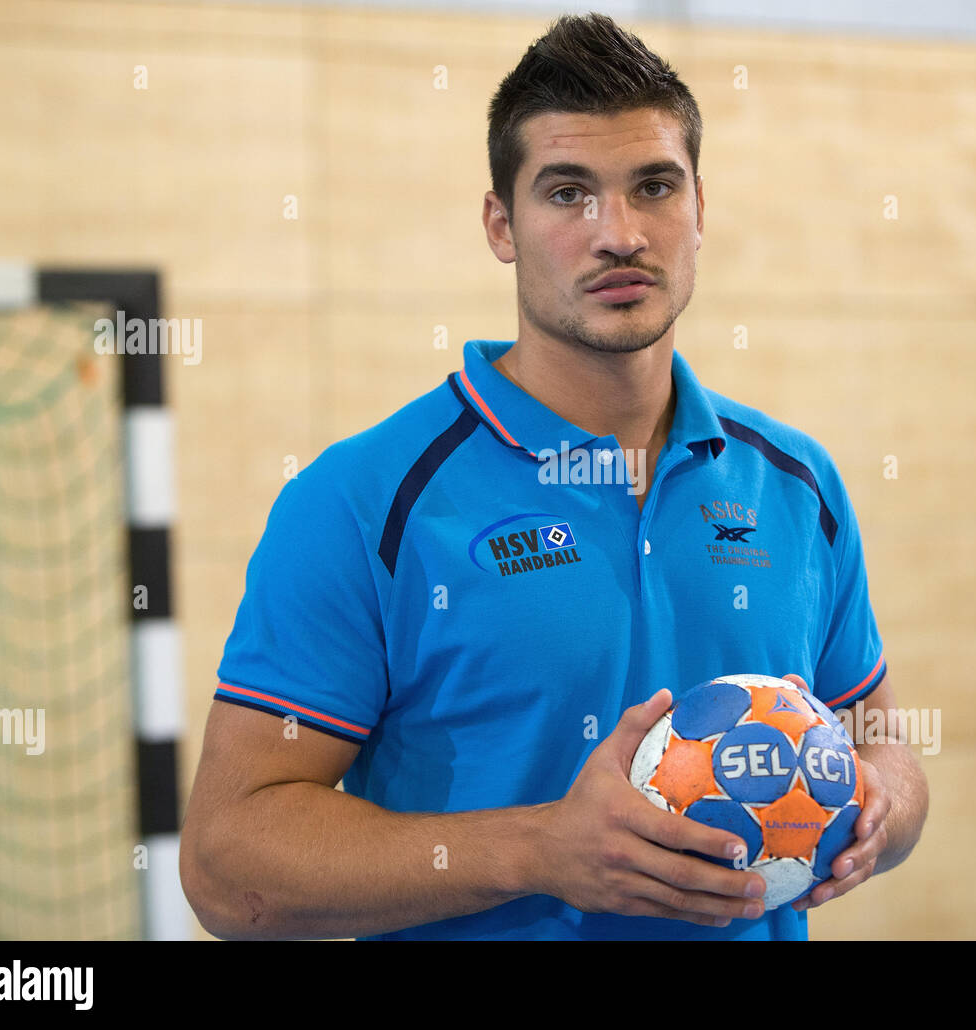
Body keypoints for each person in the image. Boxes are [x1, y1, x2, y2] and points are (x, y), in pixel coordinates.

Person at [179, 12, 928, 941]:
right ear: (501, 224)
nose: (619, 234)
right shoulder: (362, 503)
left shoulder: (797, 484)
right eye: (568, 193)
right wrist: (540, 851)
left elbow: (880, 746)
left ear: (700, 209)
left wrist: (881, 814)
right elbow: (225, 870)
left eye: (654, 186)